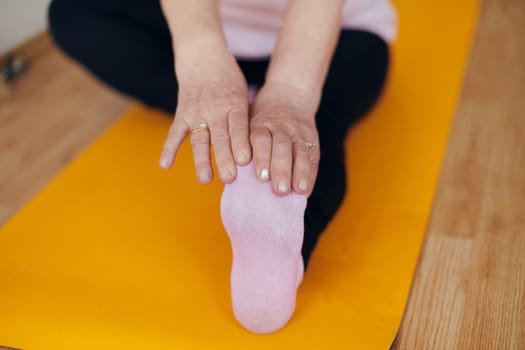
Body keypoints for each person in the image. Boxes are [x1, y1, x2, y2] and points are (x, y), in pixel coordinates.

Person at [48, 0, 397, 334]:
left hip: (334, 37)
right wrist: (200, 55)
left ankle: (282, 226)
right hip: (218, 30)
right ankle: (234, 103)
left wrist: (291, 94)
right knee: (72, 14)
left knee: (315, 127)